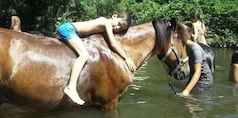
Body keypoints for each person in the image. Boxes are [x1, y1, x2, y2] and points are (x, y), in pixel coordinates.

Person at [56, 13, 136, 105]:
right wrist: (126, 58)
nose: (117, 28)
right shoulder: (106, 23)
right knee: (84, 55)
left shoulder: (102, 20)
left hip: (68, 28)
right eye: (118, 24)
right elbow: (113, 44)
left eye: (120, 28)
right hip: (68, 29)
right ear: (114, 16)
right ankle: (71, 88)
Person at [177, 30, 214, 97]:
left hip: (204, 80)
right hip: (195, 77)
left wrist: (186, 91)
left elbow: (198, 71)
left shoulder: (195, 49)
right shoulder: (187, 47)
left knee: (190, 100)